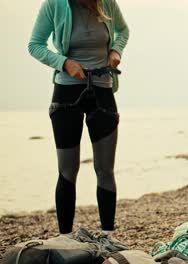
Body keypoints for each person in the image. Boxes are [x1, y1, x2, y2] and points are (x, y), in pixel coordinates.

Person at [28, 0, 129, 247]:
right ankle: (65, 239)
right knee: (67, 169)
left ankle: (107, 235)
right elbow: (35, 45)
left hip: (102, 91)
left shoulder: (107, 3)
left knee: (105, 168)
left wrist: (116, 51)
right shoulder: (54, 5)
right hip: (66, 94)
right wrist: (64, 62)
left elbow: (123, 31)